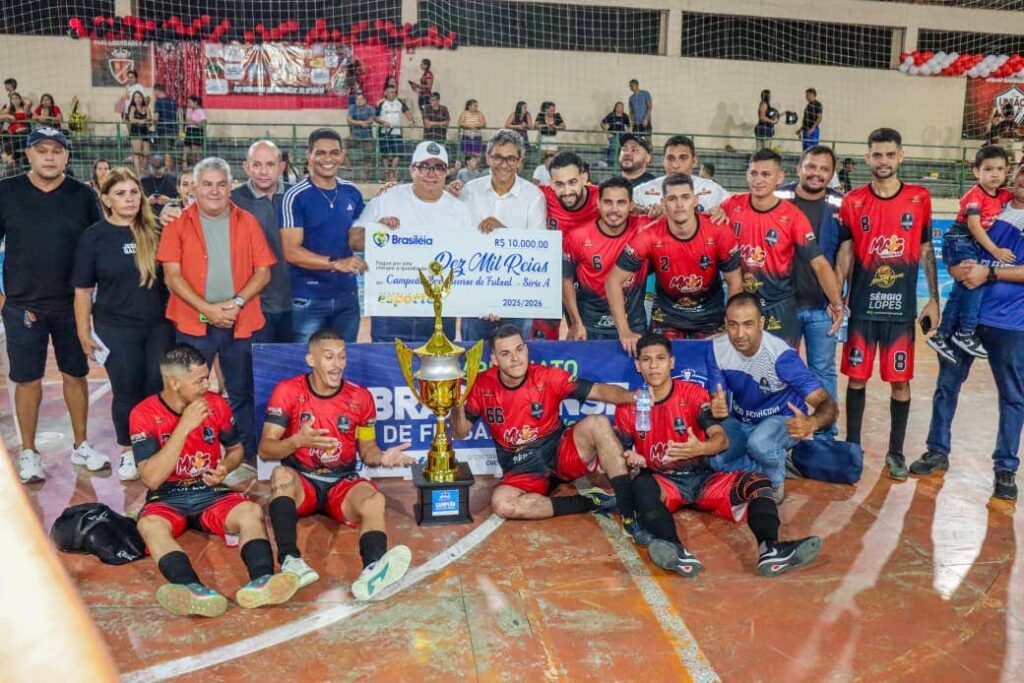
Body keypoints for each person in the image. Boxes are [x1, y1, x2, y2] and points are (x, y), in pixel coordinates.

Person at [615, 332, 823, 577]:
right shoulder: (627, 407)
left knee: (757, 482)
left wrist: (700, 448)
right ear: (637, 365)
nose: (653, 365)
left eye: (660, 358)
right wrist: (631, 460)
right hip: (664, 483)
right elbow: (622, 456)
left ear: (671, 362)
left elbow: (721, 439)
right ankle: (674, 549)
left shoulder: (693, 394)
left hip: (704, 478)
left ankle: (771, 549)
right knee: (641, 486)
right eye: (646, 359)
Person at [132, 344, 299, 617]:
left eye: (206, 377)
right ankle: (192, 589)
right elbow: (151, 478)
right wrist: (184, 426)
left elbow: (236, 450)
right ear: (174, 383)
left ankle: (262, 580)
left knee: (251, 511)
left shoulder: (216, 404)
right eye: (198, 380)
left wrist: (225, 467)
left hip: (210, 491)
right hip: (167, 496)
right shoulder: (143, 413)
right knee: (149, 526)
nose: (207, 385)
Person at [259, 329, 417, 598]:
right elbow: (265, 449)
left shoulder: (360, 397)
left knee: (375, 500)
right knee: (280, 474)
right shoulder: (288, 391)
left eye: (342, 357)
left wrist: (382, 458)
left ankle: (373, 569)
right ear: (311, 359)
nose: (338, 364)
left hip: (341, 482)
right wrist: (298, 440)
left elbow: (368, 451)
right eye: (329, 357)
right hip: (303, 481)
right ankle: (291, 561)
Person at [911, 164, 1024, 503]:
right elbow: (958, 246)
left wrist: (990, 273)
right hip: (964, 314)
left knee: (1013, 396)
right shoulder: (991, 203)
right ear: (1016, 173)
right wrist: (955, 266)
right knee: (946, 386)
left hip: (1010, 322)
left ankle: (1005, 468)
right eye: (1023, 172)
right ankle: (937, 450)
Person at [0, 127, 107, 483]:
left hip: (71, 304)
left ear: (66, 156)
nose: (49, 156)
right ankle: (29, 452)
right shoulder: (6, 191)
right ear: (28, 154)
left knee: (75, 373)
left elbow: (98, 245)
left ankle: (82, 444)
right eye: (42, 150)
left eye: (56, 151)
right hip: (22, 304)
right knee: (27, 379)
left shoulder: (83, 195)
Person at [451, 324, 638, 525]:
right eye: (506, 354)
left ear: (526, 349)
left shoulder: (547, 376)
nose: (515, 358)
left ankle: (627, 507)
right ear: (494, 359)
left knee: (598, 423)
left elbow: (600, 391)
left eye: (519, 349)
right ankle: (591, 502)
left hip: (560, 455)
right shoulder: (482, 385)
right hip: (522, 471)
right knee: (503, 506)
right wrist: (456, 403)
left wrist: (633, 397)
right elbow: (460, 432)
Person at [835, 127, 939, 481]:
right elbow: (846, 251)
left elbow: (926, 250)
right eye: (877, 154)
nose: (883, 161)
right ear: (867, 157)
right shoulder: (853, 201)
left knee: (900, 381)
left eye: (890, 154)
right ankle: (852, 448)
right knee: (856, 379)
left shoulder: (919, 198)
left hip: (900, 311)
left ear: (901, 156)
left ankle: (895, 452)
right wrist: (838, 296)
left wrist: (933, 300)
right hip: (862, 309)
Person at [157, 157, 276, 462]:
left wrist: (237, 303)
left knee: (242, 392)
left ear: (230, 187)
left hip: (241, 321)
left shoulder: (247, 222)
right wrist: (207, 309)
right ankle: (188, 457)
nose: (214, 190)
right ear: (194, 187)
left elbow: (263, 272)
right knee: (187, 392)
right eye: (207, 184)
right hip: (193, 324)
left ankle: (247, 456)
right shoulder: (177, 223)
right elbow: (172, 276)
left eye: (221, 184)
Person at [73, 167, 173, 481]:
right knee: (126, 390)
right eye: (120, 193)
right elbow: (83, 291)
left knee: (156, 386)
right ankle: (129, 452)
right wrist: (83, 332)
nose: (129, 199)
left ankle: (155, 449)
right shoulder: (94, 237)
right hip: (115, 328)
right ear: (106, 199)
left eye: (133, 192)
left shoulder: (156, 230)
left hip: (158, 325)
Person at [707, 293, 837, 501]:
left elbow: (827, 403)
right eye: (733, 325)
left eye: (748, 324)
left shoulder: (781, 357)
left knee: (760, 443)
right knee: (717, 461)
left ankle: (774, 483)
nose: (740, 334)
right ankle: (771, 461)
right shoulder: (716, 348)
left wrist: (811, 423)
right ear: (725, 323)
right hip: (743, 420)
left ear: (761, 323)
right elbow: (718, 395)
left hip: (782, 419)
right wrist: (717, 405)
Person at [717, 149, 843, 347]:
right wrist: (712, 212)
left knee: (781, 363)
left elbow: (819, 263)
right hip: (743, 306)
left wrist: (836, 303)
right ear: (747, 174)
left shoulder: (793, 216)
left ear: (779, 177)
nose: (758, 180)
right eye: (753, 173)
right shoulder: (731, 206)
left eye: (766, 174)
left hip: (780, 308)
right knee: (742, 362)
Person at [353, 140, 474, 343]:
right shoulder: (387, 200)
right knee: (388, 362)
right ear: (412, 170)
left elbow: (472, 259)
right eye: (424, 166)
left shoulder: (461, 211)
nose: (431, 173)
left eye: (438, 167)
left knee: (438, 365)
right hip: (391, 311)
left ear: (446, 173)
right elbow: (354, 241)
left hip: (440, 312)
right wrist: (376, 231)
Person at [608, 173, 742, 354]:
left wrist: (730, 327)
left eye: (685, 197)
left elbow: (735, 282)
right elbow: (613, 281)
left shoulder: (719, 231)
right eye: (672, 199)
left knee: (713, 365)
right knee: (659, 364)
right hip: (667, 318)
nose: (679, 204)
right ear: (663, 203)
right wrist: (624, 331)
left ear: (695, 200)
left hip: (710, 317)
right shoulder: (648, 235)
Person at [449, 129, 546, 341]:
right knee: (474, 355)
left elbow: (538, 249)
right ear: (488, 158)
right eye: (498, 157)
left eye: (511, 158)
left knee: (515, 355)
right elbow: (457, 239)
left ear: (520, 161)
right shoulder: (469, 191)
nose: (504, 164)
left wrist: (503, 232)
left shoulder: (533, 196)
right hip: (475, 295)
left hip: (517, 296)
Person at [774, 146, 845, 436]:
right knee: (780, 370)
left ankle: (825, 435)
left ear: (832, 174)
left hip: (821, 307)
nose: (816, 174)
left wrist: (837, 298)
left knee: (823, 371)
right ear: (799, 168)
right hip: (782, 306)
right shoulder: (777, 197)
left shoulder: (841, 204)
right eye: (811, 167)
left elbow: (845, 253)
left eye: (824, 169)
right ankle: (780, 433)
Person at [928, 145, 1012, 363]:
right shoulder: (974, 195)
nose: (995, 174)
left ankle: (941, 336)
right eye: (988, 169)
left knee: (960, 290)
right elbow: (974, 226)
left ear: (1006, 171)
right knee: (976, 281)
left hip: (969, 244)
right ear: (976, 172)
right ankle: (965, 332)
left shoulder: (1004, 195)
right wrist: (995, 251)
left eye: (1000, 169)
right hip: (959, 240)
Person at [280, 129, 365, 344]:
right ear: (309, 155)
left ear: (342, 155)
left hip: (347, 296)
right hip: (308, 297)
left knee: (343, 357)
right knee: (306, 358)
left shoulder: (352, 192)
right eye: (320, 153)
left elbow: (359, 240)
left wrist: (383, 217)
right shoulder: (295, 196)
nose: (328, 159)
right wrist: (335, 264)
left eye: (334, 153)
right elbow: (290, 251)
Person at [563, 176, 648, 341]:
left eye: (621, 203)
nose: (614, 209)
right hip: (590, 325)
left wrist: (658, 210)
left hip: (633, 324)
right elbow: (565, 280)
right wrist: (576, 322)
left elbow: (677, 220)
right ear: (598, 203)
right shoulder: (578, 236)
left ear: (631, 205)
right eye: (608, 202)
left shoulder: (645, 228)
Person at [233, 140, 294, 343]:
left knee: (294, 362)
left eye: (270, 164)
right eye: (256, 165)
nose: (263, 171)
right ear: (246, 167)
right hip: (252, 305)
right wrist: (170, 212)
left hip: (296, 303)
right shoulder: (231, 201)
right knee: (255, 362)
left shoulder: (297, 197)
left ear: (281, 167)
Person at [632, 135, 730, 214]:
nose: (675, 165)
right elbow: (627, 205)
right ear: (663, 161)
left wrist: (721, 213)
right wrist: (642, 210)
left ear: (694, 161)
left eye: (683, 158)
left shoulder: (713, 190)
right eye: (670, 158)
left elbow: (735, 209)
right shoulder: (642, 192)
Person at [375, 85, 415, 184]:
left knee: (398, 153)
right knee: (385, 154)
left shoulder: (400, 102)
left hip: (397, 132)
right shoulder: (382, 103)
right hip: (384, 132)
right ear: (386, 93)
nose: (393, 94)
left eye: (394, 92)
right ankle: (386, 175)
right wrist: (383, 122)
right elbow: (375, 117)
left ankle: (392, 175)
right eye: (391, 92)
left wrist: (411, 121)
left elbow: (407, 112)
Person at [346, 93, 377, 182]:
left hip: (367, 137)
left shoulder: (370, 108)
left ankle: (366, 178)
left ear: (365, 100)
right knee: (341, 145)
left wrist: (356, 122)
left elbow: (370, 121)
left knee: (368, 156)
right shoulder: (352, 108)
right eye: (357, 99)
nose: (359, 101)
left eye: (361, 99)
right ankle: (348, 163)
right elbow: (349, 120)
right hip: (354, 136)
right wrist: (361, 123)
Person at [152, 84, 178, 172]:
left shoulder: (158, 102)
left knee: (166, 152)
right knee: (170, 151)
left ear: (157, 91)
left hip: (164, 130)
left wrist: (153, 124)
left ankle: (168, 172)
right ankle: (171, 170)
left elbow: (156, 117)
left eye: (154, 91)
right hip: (174, 129)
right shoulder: (172, 101)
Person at [125, 90, 152, 176]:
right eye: (135, 97)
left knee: (146, 154)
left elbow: (149, 121)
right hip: (136, 132)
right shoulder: (133, 108)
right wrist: (141, 121)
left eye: (139, 97)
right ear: (133, 99)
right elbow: (131, 119)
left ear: (142, 98)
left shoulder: (146, 108)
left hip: (145, 132)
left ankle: (143, 171)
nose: (137, 99)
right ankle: (139, 174)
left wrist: (148, 122)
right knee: (137, 153)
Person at [600, 101, 631, 168]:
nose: (620, 108)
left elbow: (628, 126)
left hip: (621, 135)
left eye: (621, 107)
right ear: (615, 108)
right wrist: (607, 133)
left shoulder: (625, 116)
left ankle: (618, 163)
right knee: (614, 146)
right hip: (613, 134)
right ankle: (611, 164)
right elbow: (602, 123)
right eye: (618, 107)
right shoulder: (611, 115)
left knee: (621, 148)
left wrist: (627, 132)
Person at [1, 92, 32, 159]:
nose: (15, 100)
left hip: (23, 133)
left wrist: (15, 93)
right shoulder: (9, 110)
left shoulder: (24, 108)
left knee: (11, 146)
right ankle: (10, 160)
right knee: (8, 146)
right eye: (12, 99)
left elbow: (29, 102)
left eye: (16, 98)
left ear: (20, 100)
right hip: (13, 134)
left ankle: (10, 159)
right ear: (10, 101)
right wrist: (7, 116)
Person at [183, 96, 206, 168]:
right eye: (187, 102)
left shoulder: (200, 111)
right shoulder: (189, 110)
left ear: (195, 102)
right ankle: (184, 169)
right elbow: (187, 121)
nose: (188, 104)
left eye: (190, 102)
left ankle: (198, 168)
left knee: (195, 152)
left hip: (196, 131)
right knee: (185, 152)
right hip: (188, 130)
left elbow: (203, 123)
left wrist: (193, 122)